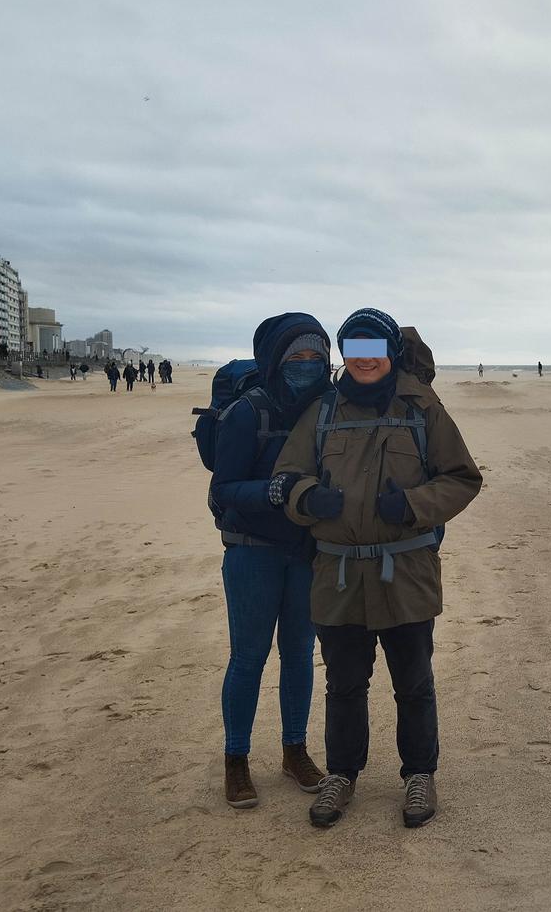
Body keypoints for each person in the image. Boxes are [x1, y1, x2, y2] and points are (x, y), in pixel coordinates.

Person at [270, 308, 482, 829]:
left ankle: (420, 775)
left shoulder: (422, 408)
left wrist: (411, 505)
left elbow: (462, 478)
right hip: (338, 576)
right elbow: (287, 475)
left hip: (406, 572)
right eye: (354, 349)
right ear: (344, 355)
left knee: (413, 682)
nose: (364, 359)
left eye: (374, 348)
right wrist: (307, 498)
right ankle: (342, 775)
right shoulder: (322, 411)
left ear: (390, 352)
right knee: (344, 684)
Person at [211, 313, 333, 808]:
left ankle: (294, 751)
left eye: (315, 356)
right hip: (251, 552)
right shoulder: (248, 412)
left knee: (300, 655)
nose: (306, 364)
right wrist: (272, 492)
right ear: (276, 360)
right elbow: (223, 488)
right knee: (248, 658)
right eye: (295, 356)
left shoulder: (328, 409)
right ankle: (236, 761)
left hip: (306, 552)